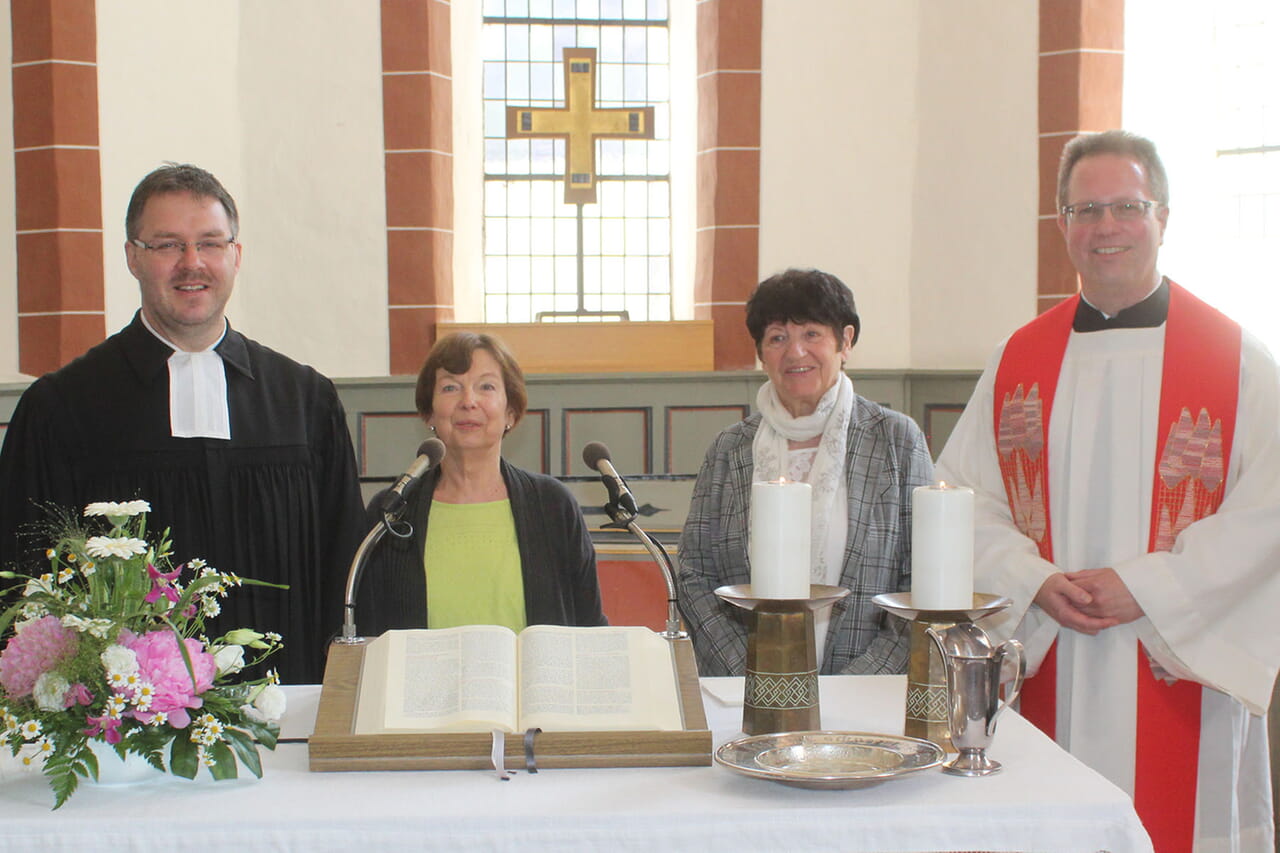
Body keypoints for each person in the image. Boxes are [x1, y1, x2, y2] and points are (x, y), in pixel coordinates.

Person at [936, 130, 1280, 851]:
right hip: (1049, 652)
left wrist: (1148, 587)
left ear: (1163, 217)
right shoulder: (1017, 359)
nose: (1105, 227)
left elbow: (1268, 513)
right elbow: (959, 495)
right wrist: (1031, 581)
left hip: (1179, 663)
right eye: (1085, 209)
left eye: (1126, 206)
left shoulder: (1237, 361)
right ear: (1062, 224)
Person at [0, 164, 365, 685]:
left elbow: (343, 569)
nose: (192, 264)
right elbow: (25, 580)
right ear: (132, 257)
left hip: (289, 710)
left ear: (236, 256)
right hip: (123, 735)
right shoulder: (63, 407)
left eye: (211, 243)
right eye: (167, 245)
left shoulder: (304, 401)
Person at [677, 268, 933, 676]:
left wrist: (856, 684)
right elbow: (695, 576)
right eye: (778, 337)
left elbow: (921, 578)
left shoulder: (896, 441)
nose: (795, 353)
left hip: (866, 696)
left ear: (845, 341)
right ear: (762, 353)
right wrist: (753, 676)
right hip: (749, 691)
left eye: (811, 333)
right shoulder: (730, 450)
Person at [356, 331, 607, 634]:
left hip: (534, 683)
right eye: (450, 387)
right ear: (430, 412)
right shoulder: (393, 511)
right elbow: (367, 631)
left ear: (510, 412)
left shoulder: (552, 505)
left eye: (486, 387)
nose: (468, 401)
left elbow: (590, 626)